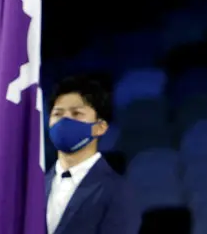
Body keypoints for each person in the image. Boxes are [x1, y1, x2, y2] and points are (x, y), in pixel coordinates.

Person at [45, 75, 139, 234]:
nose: (64, 122)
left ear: (100, 127)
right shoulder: (35, 188)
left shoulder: (117, 189)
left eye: (76, 114)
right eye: (58, 114)